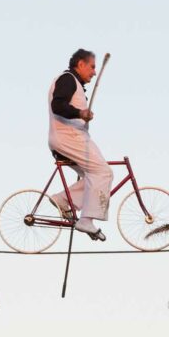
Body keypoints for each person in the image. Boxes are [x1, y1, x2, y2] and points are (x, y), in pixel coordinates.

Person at [48, 48, 113, 240]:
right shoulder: (67, 79)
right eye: (92, 67)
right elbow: (57, 106)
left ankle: (63, 200)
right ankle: (86, 220)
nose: (94, 72)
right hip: (69, 138)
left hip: (70, 138)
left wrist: (81, 115)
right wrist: (80, 113)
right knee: (103, 172)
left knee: (96, 177)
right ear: (81, 64)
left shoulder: (72, 82)